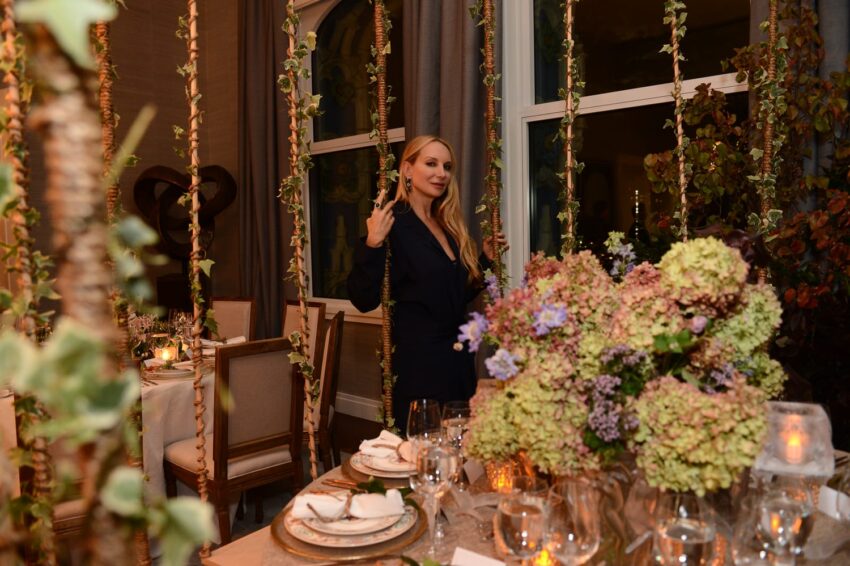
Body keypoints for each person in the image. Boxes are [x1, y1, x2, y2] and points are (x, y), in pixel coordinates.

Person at [347, 135, 505, 433]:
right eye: (430, 163)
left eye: (446, 166)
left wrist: (485, 262)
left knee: (461, 453)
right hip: (419, 366)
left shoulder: (447, 223)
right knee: (423, 456)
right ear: (407, 169)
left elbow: (454, 296)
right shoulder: (392, 221)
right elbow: (362, 298)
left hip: (457, 362)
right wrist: (372, 243)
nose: (441, 173)